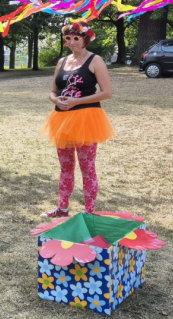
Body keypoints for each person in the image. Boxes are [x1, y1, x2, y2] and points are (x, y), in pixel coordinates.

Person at [40, 21, 116, 217]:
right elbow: (53, 91)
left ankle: (89, 212)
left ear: (86, 40)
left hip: (86, 120)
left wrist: (77, 101)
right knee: (65, 167)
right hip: (62, 120)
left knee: (87, 168)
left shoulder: (95, 60)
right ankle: (62, 208)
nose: (72, 42)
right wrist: (56, 99)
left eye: (76, 38)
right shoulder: (62, 62)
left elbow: (107, 93)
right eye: (68, 38)